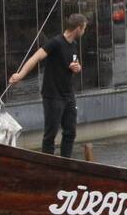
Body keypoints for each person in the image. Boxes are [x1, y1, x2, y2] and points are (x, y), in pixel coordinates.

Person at [9, 13, 87, 158]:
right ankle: (48, 165)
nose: (84, 32)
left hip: (68, 94)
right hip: (53, 95)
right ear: (78, 28)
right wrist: (20, 75)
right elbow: (35, 58)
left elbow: (76, 63)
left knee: (70, 131)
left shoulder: (74, 45)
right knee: (50, 134)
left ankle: (65, 163)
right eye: (84, 29)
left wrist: (77, 68)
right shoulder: (56, 43)